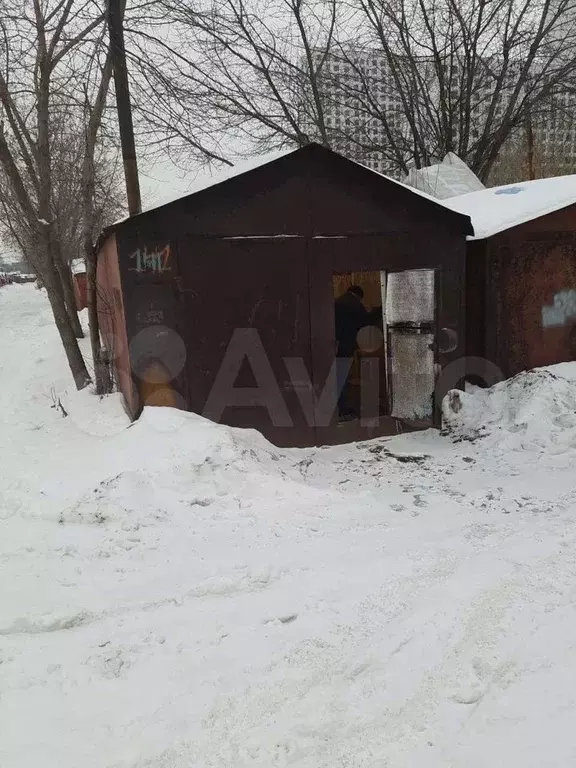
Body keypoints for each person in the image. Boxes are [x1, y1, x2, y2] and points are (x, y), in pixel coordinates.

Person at [334, 285, 370, 419]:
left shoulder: (336, 302)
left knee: (335, 378)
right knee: (341, 378)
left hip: (331, 346)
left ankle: (336, 408)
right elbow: (366, 322)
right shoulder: (355, 305)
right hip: (345, 347)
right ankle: (342, 409)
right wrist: (379, 310)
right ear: (359, 296)